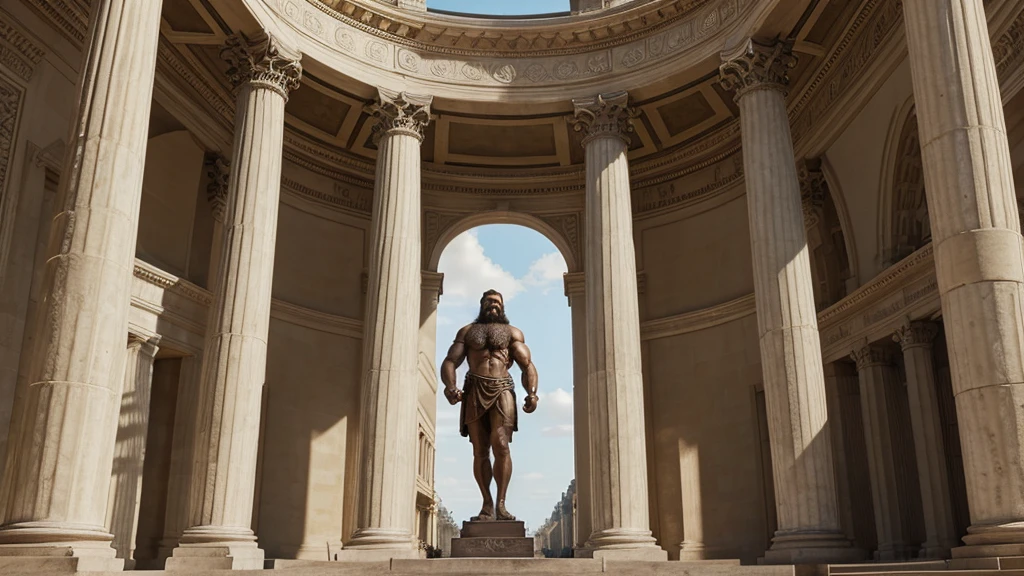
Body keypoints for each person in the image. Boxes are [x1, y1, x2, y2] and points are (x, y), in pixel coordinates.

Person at [440, 289, 538, 521]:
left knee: (501, 444)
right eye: (488, 301)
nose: (492, 305)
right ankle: (487, 504)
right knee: (480, 450)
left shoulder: (512, 333)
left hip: (502, 388)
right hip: (474, 389)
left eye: (496, 302)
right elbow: (450, 361)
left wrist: (531, 393)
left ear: (502, 307)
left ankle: (501, 504)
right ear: (482, 304)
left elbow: (527, 365)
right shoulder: (467, 332)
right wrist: (450, 386)